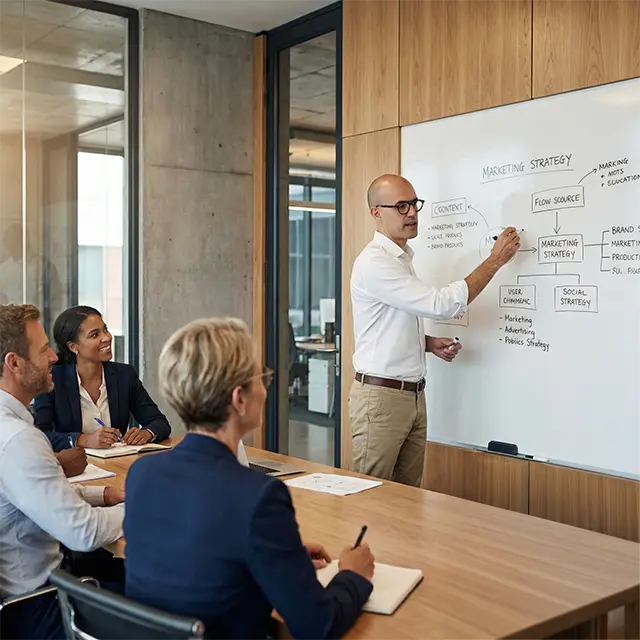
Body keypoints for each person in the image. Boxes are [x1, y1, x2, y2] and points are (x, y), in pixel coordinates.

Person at [124, 318, 375, 640]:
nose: (266, 388)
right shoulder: (258, 496)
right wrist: (353, 576)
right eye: (262, 378)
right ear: (239, 398)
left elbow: (198, 561)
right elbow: (317, 626)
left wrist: (279, 557)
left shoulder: (143, 473)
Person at [350, 174, 520, 487]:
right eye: (401, 206)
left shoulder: (402, 259)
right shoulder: (376, 262)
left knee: (406, 500)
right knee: (370, 498)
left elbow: (386, 324)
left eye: (414, 204)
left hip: (412, 395)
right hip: (382, 397)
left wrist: (426, 343)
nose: (412, 213)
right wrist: (494, 261)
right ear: (376, 212)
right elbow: (441, 304)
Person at [0, 304, 125, 640]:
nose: (53, 358)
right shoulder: (18, 440)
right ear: (14, 363)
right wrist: (143, 508)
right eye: (43, 350)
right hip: (39, 608)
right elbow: (82, 533)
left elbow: (31, 495)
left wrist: (103, 494)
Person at [33, 306, 171, 451]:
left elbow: (159, 422)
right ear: (73, 347)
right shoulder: (52, 380)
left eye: (105, 330)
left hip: (116, 465)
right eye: (94, 335)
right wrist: (82, 439)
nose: (107, 338)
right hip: (73, 467)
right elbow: (40, 434)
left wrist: (146, 433)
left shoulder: (124, 375)